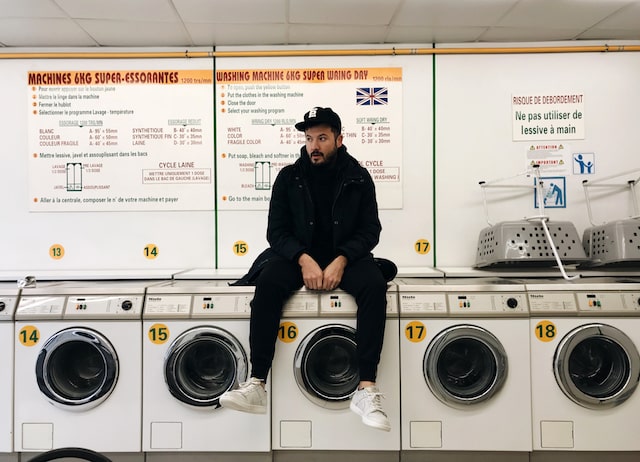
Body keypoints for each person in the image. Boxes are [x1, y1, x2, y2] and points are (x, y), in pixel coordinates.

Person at [220, 106, 391, 432]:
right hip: (298, 258)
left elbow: (370, 232)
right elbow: (276, 232)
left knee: (373, 286)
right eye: (310, 137)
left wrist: (341, 259)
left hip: (347, 258)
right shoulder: (289, 177)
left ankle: (366, 389)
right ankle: (257, 383)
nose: (314, 144)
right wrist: (303, 259)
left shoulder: (358, 177)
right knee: (268, 281)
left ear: (339, 140)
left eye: (322, 138)